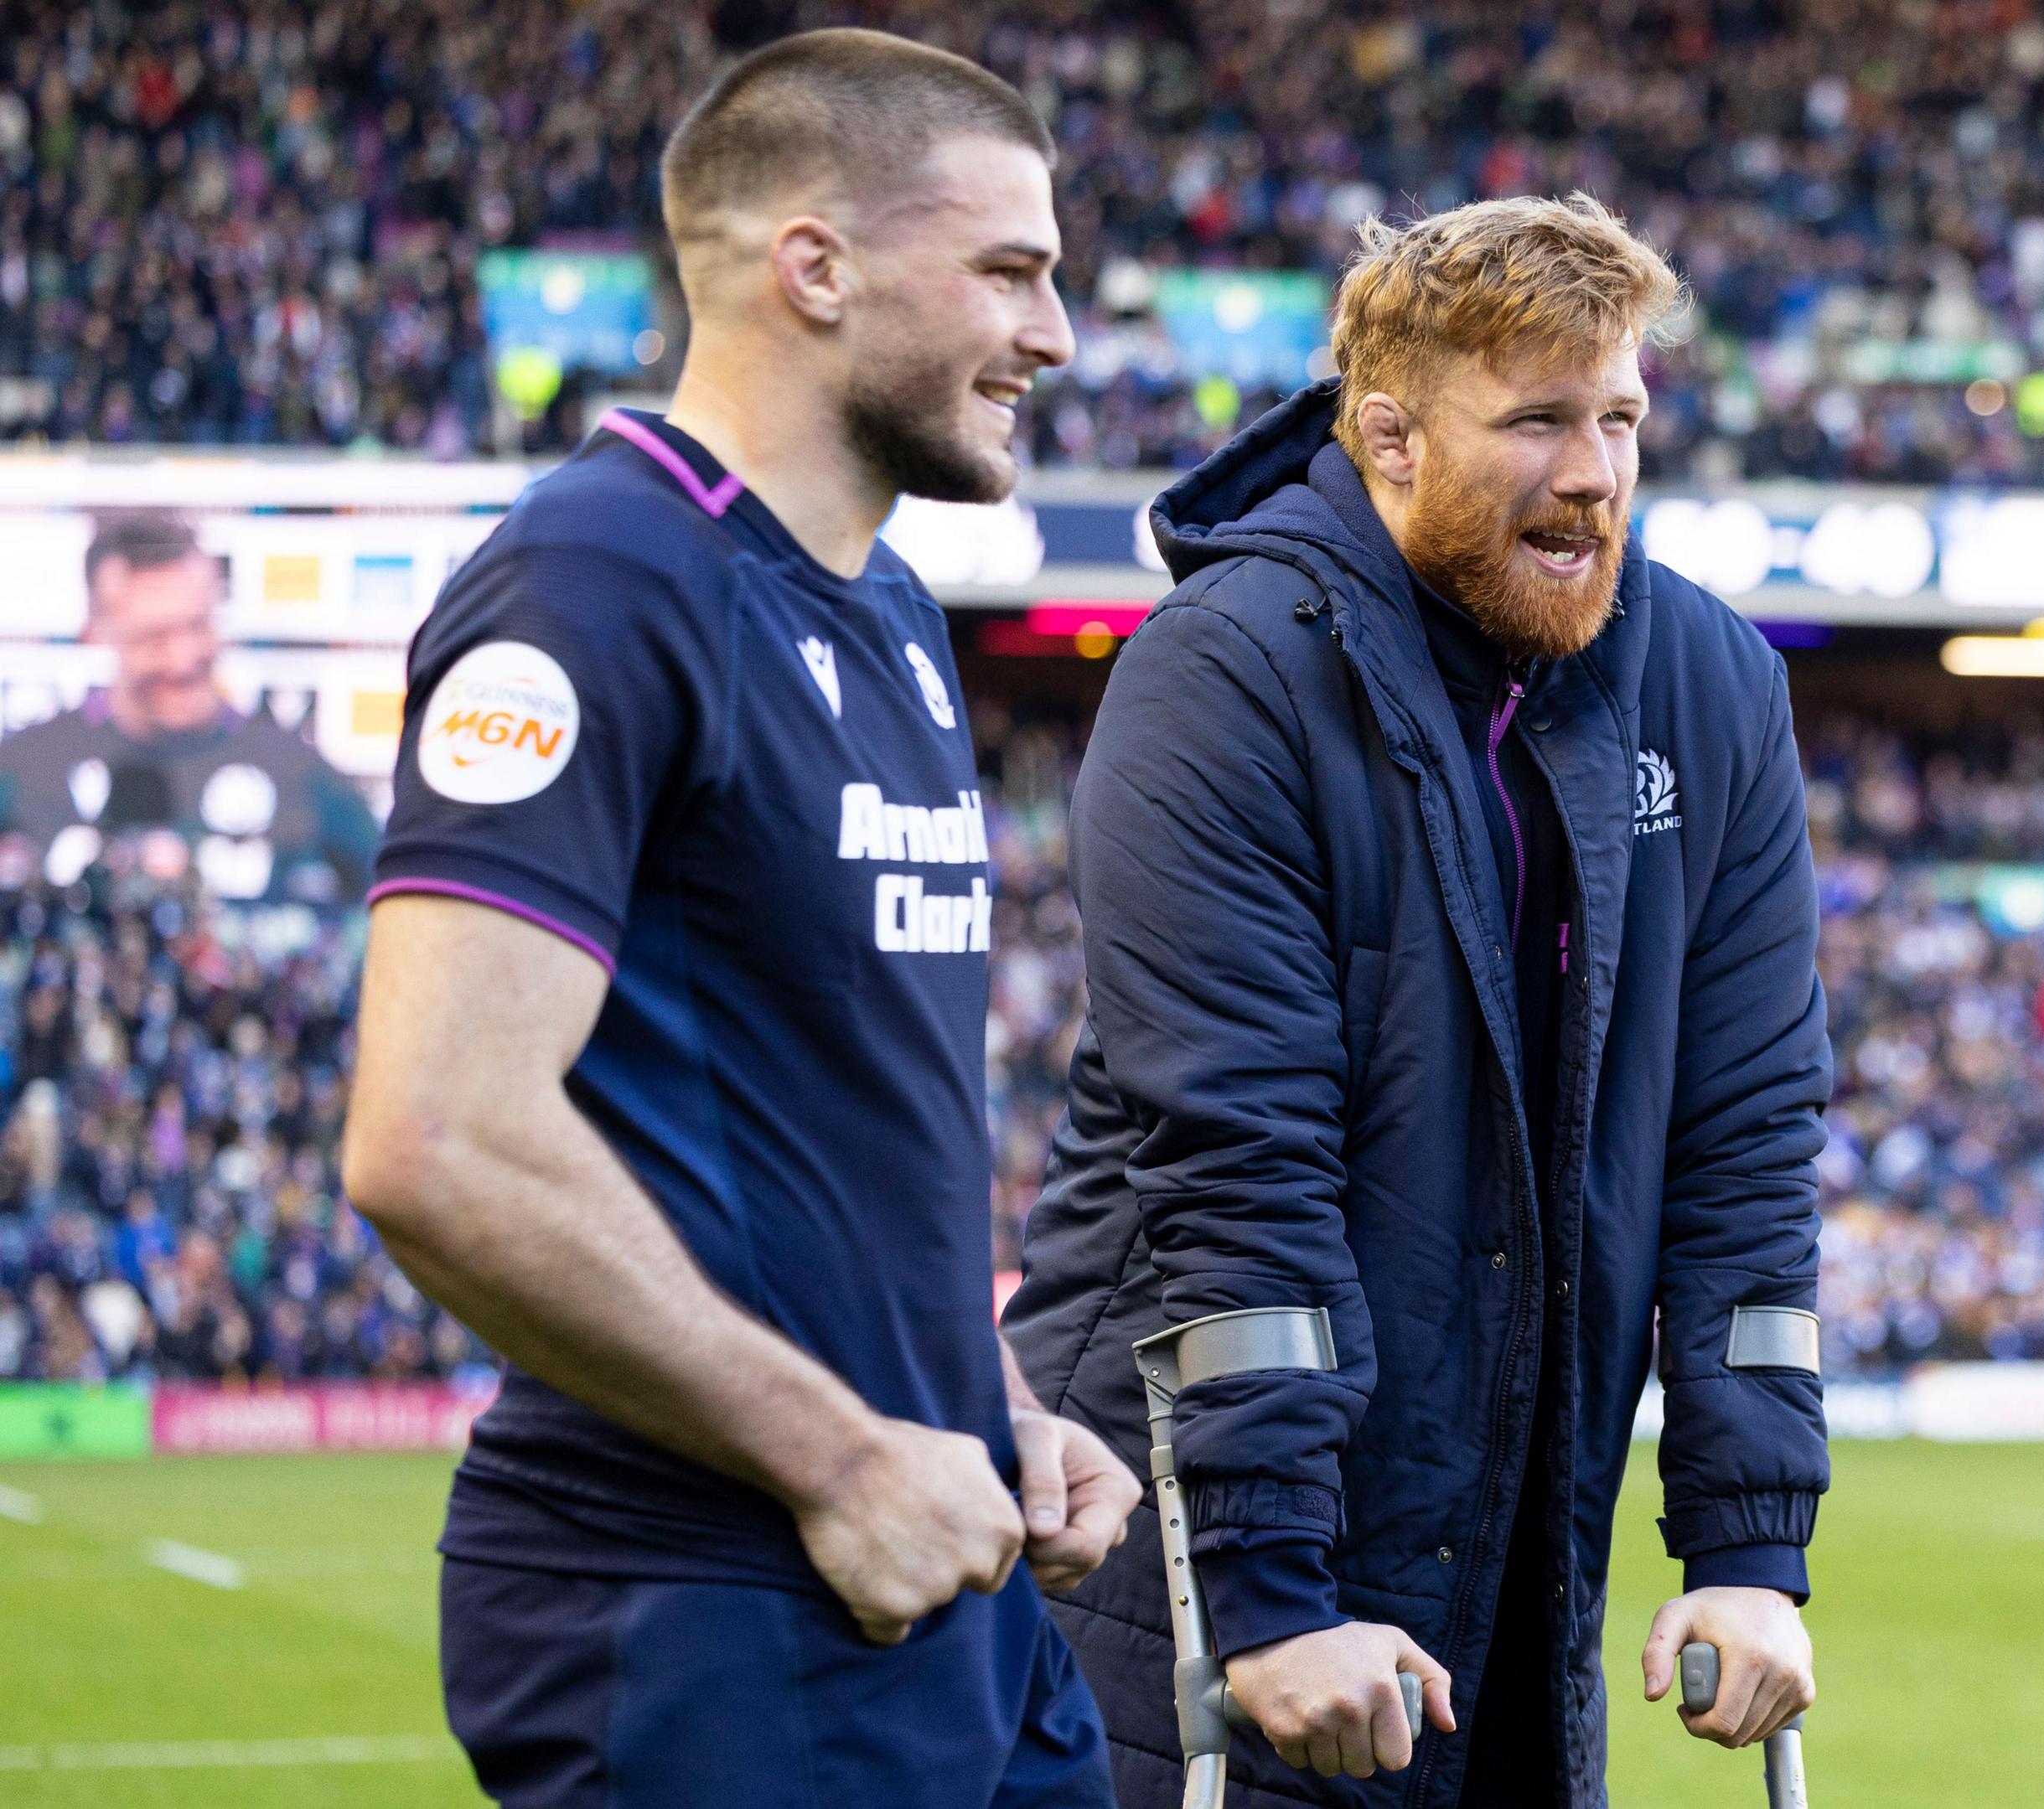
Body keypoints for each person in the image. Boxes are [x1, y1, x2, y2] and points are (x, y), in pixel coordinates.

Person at [339, 30, 1137, 1809]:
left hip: (946, 1575)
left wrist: (977, 1395)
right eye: (1012, 271)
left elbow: (813, 1122)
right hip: (710, 1600)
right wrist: (842, 1451)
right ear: (816, 266)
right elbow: (436, 1134)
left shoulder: (893, 612)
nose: (1058, 337)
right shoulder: (598, 581)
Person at [1001, 194, 1831, 1808]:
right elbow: (1238, 1161)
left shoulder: (1715, 684)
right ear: (1386, 434)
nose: (1592, 470)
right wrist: (1272, 1591)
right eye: (1535, 420)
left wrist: (1752, 1542)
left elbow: (1748, 1139)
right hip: (1195, 1560)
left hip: (1516, 1555)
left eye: (1618, 416)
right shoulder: (1223, 668)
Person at [0, 511, 379, 900]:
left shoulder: (301, 772)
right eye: (154, 638)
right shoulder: (24, 767)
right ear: (96, 633)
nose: (183, 659)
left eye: (198, 626)